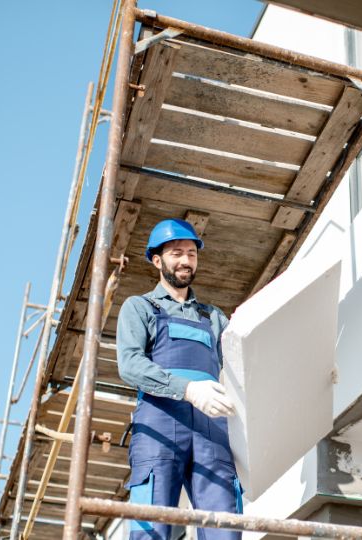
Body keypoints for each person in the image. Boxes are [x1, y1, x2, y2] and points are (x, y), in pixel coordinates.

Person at [117, 218, 241, 540]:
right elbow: (130, 365)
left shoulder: (214, 317)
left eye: (191, 253)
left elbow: (245, 363)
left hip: (211, 428)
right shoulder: (140, 307)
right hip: (159, 427)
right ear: (157, 261)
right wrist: (186, 389)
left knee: (224, 527)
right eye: (176, 253)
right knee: (152, 528)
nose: (186, 260)